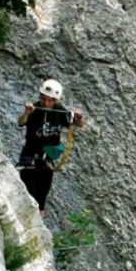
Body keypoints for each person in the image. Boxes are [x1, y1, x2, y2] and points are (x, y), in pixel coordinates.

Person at [17, 79, 85, 217]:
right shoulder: (34, 108)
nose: (46, 103)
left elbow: (79, 124)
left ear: (55, 100)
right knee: (29, 194)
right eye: (44, 99)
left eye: (50, 100)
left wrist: (79, 116)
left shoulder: (59, 111)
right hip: (30, 157)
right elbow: (21, 122)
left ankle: (38, 228)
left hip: (47, 160)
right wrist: (26, 113)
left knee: (41, 199)